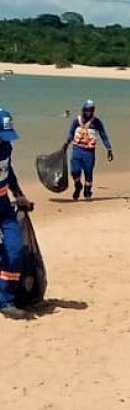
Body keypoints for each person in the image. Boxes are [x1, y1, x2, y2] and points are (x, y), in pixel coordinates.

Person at [0, 107, 36, 319]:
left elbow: (8, 171)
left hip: (3, 205)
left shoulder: (6, 148)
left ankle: (6, 301)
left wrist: (19, 194)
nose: (4, 141)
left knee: (14, 250)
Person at [65, 99, 114, 200]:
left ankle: (87, 190)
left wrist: (108, 148)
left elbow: (103, 135)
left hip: (89, 152)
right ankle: (78, 186)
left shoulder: (96, 122)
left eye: (91, 110)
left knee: (88, 172)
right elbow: (71, 133)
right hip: (77, 150)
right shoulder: (76, 121)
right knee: (75, 171)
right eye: (87, 110)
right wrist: (66, 143)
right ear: (83, 109)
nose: (89, 112)